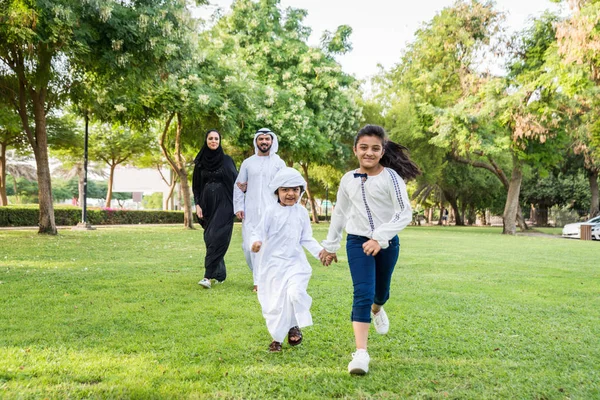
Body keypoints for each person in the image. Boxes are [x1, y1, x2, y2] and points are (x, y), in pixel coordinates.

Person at [319, 124, 421, 375]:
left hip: (387, 243)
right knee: (362, 292)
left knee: (381, 292)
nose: (369, 153)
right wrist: (330, 246)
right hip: (357, 242)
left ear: (382, 150)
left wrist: (380, 237)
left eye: (375, 148)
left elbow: (403, 212)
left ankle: (378, 309)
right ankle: (361, 354)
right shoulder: (347, 179)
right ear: (355, 150)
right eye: (363, 147)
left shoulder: (391, 178)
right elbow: (340, 213)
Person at [250, 167, 322, 352]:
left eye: (295, 190)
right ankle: (277, 338)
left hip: (295, 263)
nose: (290, 194)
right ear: (277, 192)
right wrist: (256, 242)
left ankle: (295, 324)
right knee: (275, 302)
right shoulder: (270, 211)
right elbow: (258, 231)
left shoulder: (301, 213)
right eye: (285, 190)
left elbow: (306, 237)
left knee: (296, 293)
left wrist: (321, 252)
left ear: (300, 191)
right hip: (272, 264)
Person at [234, 128, 286, 291]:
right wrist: (239, 207)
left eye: (267, 139)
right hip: (250, 213)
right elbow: (239, 186)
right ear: (256, 141)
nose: (264, 142)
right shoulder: (248, 163)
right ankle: (260, 274)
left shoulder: (279, 163)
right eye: (261, 139)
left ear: (272, 142)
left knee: (268, 246)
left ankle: (260, 281)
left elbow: (285, 187)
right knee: (249, 247)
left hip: (272, 212)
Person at [192, 129, 238, 289]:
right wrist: (197, 204)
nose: (213, 141)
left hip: (225, 203)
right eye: (210, 138)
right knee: (210, 238)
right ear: (206, 140)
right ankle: (220, 273)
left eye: (216, 138)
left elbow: (237, 182)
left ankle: (208, 277)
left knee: (216, 235)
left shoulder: (227, 160)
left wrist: (240, 203)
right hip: (207, 205)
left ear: (220, 141)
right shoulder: (200, 162)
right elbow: (196, 186)